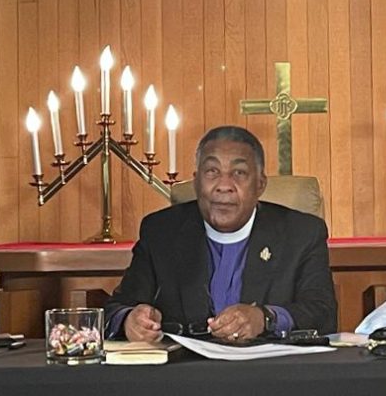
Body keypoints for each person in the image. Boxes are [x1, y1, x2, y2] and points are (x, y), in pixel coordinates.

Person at [103, 125, 337, 342]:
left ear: (260, 184)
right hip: (185, 369)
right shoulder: (161, 232)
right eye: (212, 171)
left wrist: (265, 318)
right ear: (196, 182)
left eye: (239, 173)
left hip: (269, 368)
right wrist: (130, 320)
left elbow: (322, 312)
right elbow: (117, 308)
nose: (224, 185)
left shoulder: (302, 234)